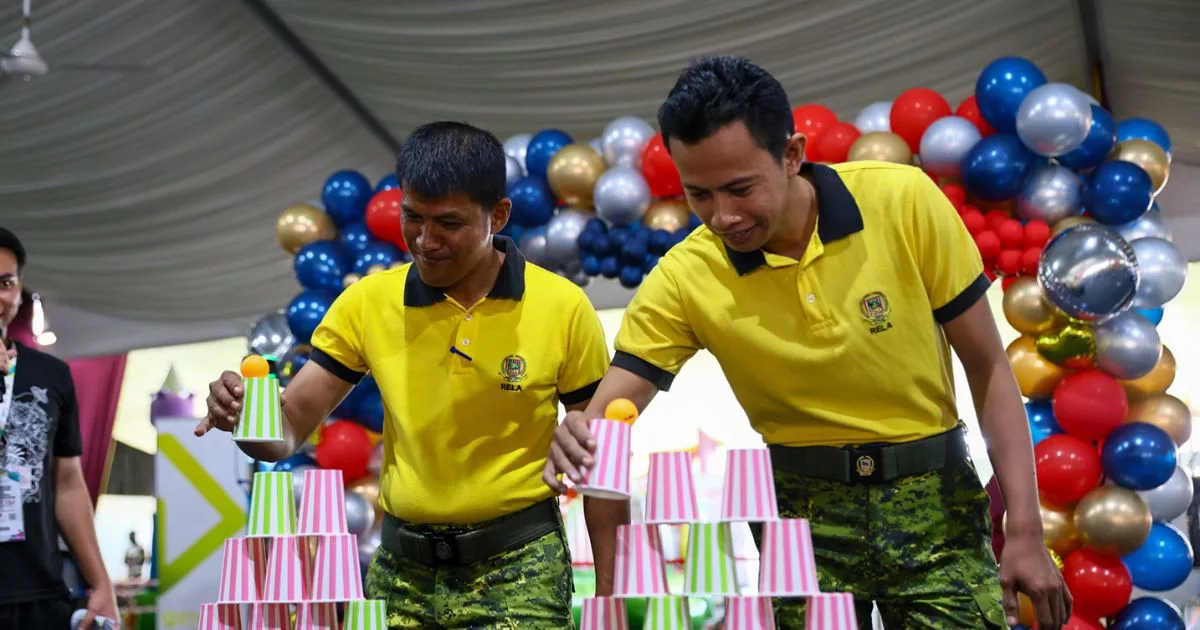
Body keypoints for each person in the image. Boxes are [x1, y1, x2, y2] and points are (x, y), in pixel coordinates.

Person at [544, 56, 1072, 629]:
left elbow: (988, 367)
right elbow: (608, 421)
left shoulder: (903, 201)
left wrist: (1023, 528)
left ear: (792, 154)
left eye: (740, 189)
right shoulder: (683, 276)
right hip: (797, 516)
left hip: (936, 504)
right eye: (699, 195)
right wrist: (582, 435)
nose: (722, 217)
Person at [196, 122, 610, 628]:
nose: (425, 240)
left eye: (449, 223)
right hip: (400, 574)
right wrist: (245, 417)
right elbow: (284, 434)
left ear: (498, 215)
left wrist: (610, 600)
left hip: (520, 566)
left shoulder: (562, 307)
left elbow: (601, 467)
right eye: (412, 216)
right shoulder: (367, 303)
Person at [0, 227, 119, 629]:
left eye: (6, 283)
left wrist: (99, 581)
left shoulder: (51, 375)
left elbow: (67, 483)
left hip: (40, 590)